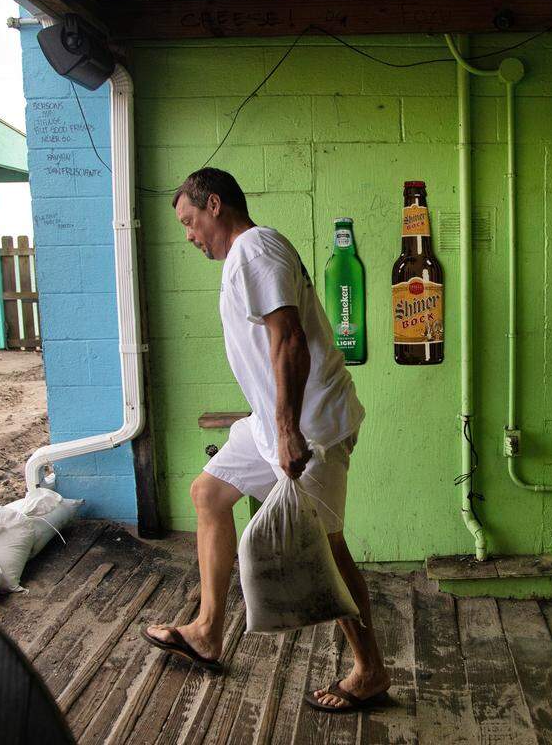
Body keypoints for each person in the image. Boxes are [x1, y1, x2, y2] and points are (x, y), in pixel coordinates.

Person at [140, 168, 390, 713]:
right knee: (209, 494)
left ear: (214, 204)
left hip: (310, 427)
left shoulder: (253, 248)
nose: (188, 235)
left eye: (189, 221)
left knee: (326, 548)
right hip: (270, 423)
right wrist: (271, 424)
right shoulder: (247, 255)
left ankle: (370, 670)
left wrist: (287, 430)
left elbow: (290, 338)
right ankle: (207, 630)